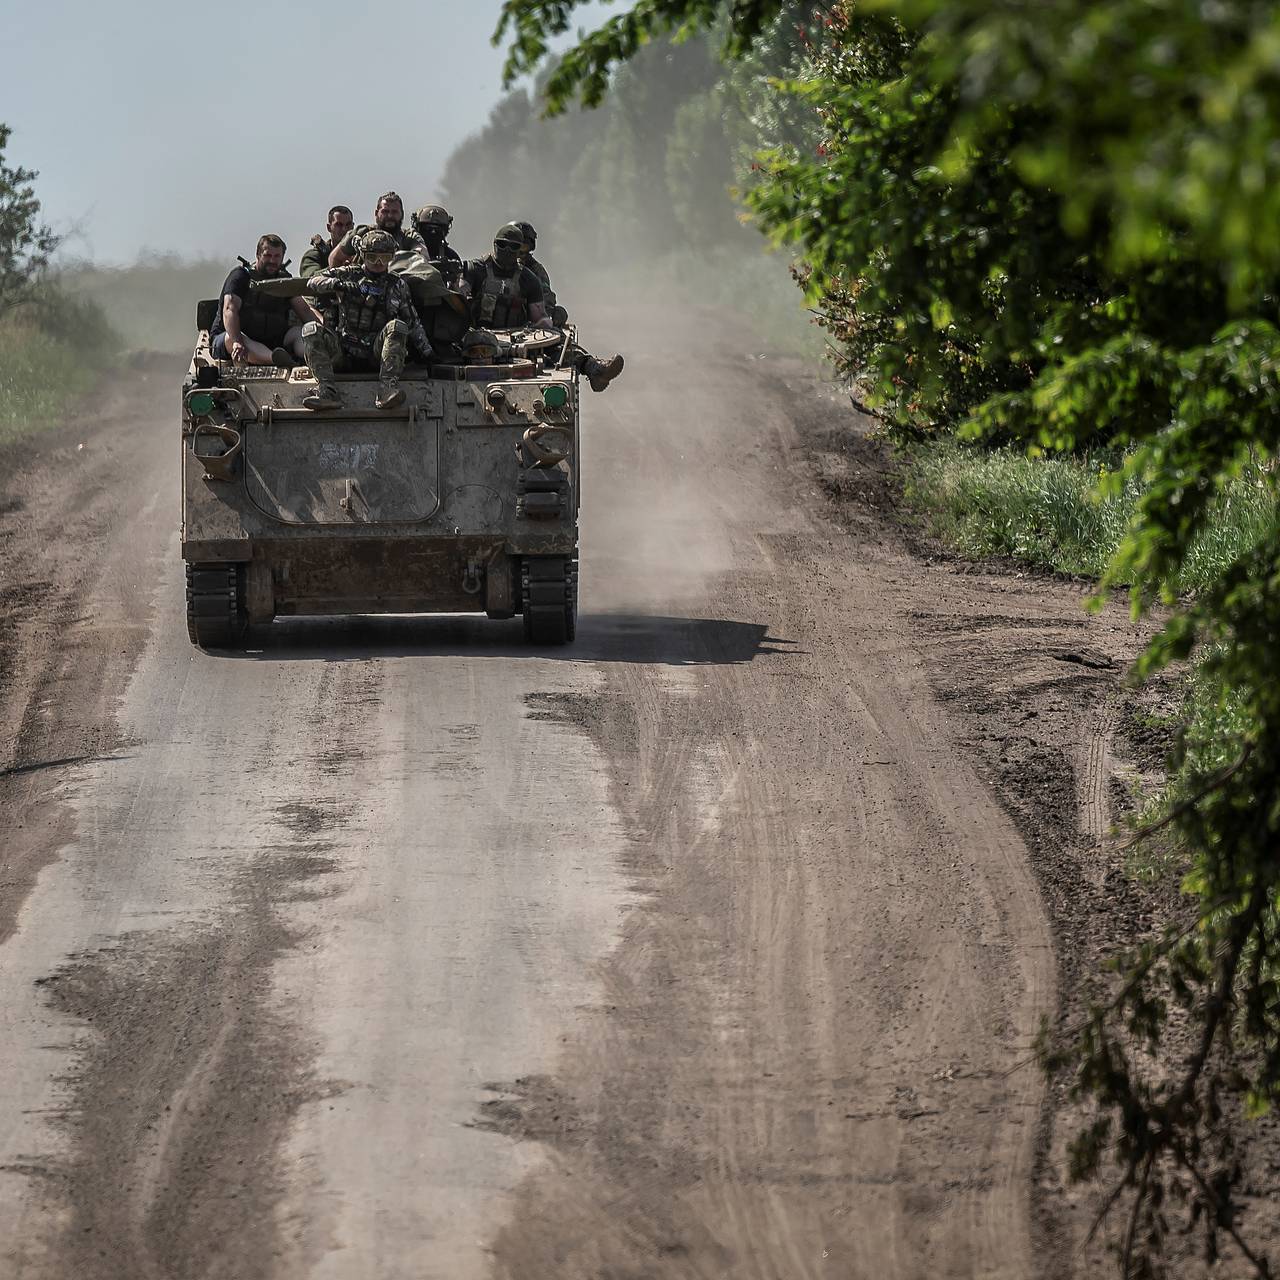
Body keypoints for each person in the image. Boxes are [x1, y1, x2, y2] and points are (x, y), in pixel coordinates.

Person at [460, 223, 624, 392]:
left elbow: (540, 318)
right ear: (495, 244)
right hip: (475, 335)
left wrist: (551, 329)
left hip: (517, 336)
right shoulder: (474, 269)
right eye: (503, 245)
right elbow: (459, 299)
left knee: (554, 341)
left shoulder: (529, 278)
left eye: (514, 246)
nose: (508, 250)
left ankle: (594, 369)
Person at [300, 230, 433, 411]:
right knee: (311, 329)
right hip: (343, 351)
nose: (378, 263)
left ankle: (387, 389)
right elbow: (312, 282)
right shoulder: (347, 274)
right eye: (372, 257)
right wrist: (337, 284)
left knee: (398, 327)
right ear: (362, 256)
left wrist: (427, 352)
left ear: (392, 257)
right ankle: (327, 392)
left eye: (384, 258)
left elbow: (412, 321)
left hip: (375, 355)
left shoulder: (397, 285)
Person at [209, 235, 316, 367]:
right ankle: (277, 360)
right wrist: (237, 341)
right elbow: (229, 309)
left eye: (277, 256)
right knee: (232, 338)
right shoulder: (240, 277)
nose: (272, 260)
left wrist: (324, 333)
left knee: (299, 332)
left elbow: (305, 310)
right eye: (267, 255)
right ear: (258, 254)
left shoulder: (284, 280)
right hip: (235, 340)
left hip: (274, 341)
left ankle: (314, 357)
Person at [329, 191, 426, 267]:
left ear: (402, 214)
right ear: (376, 213)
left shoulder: (409, 237)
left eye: (394, 212)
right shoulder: (361, 233)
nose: (390, 216)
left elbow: (422, 256)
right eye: (385, 211)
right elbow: (334, 258)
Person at [514, 220, 566, 325]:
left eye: (524, 245)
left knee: (559, 313)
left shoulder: (536, 271)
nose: (520, 251)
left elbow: (546, 298)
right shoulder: (491, 265)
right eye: (517, 245)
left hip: (524, 321)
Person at [412, 205, 464, 286]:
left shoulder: (451, 255)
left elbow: (459, 285)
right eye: (428, 229)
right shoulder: (409, 250)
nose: (433, 232)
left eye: (437, 230)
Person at [301, 205, 354, 280]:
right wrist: (336, 267)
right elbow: (309, 278)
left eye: (348, 224)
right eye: (339, 225)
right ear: (329, 228)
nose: (344, 229)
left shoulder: (360, 253)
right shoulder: (315, 256)